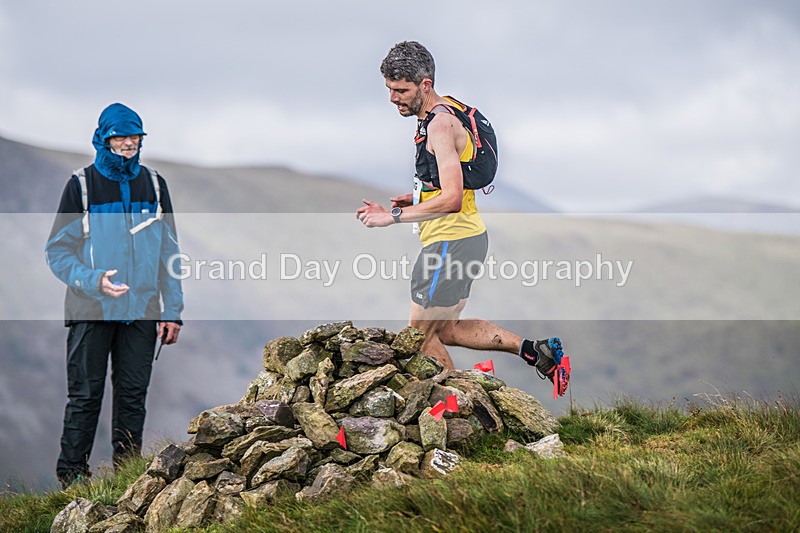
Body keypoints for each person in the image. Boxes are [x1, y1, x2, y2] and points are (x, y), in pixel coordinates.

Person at [357, 41, 570, 396]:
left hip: (450, 242)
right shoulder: (449, 109)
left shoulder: (440, 125)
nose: (393, 98)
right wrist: (418, 197)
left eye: (401, 90)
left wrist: (393, 217)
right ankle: (538, 351)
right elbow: (451, 180)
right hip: (465, 239)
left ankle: (459, 409)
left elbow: (453, 199)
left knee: (418, 338)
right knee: (446, 330)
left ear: (425, 85)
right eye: (389, 89)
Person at [45, 103, 184, 488]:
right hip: (91, 307)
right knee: (86, 397)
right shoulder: (82, 185)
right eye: (119, 136)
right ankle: (73, 479)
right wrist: (93, 280)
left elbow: (170, 253)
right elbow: (57, 251)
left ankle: (126, 479)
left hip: (142, 309)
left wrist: (172, 311)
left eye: (134, 136)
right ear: (104, 139)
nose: (127, 143)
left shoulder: (155, 185)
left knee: (132, 396)